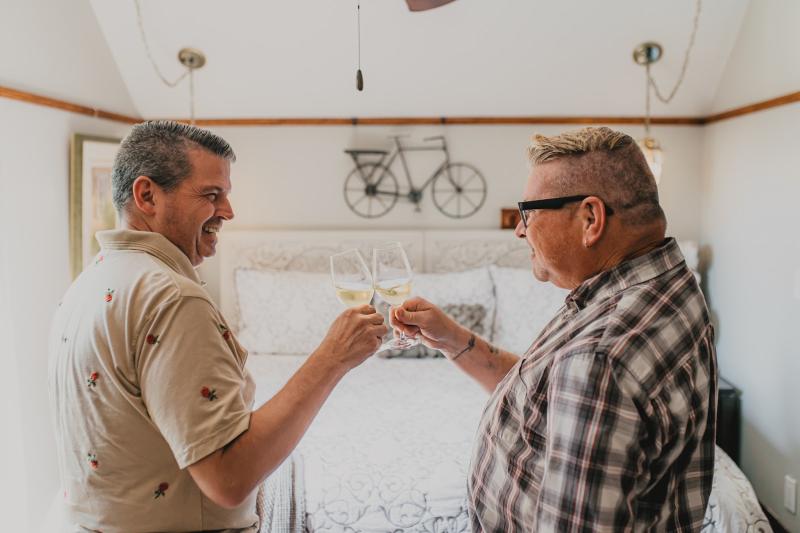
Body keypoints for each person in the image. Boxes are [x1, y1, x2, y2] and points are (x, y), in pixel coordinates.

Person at [48, 120, 387, 532]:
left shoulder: (91, 280)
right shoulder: (172, 298)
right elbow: (229, 480)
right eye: (212, 195)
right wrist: (333, 357)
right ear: (147, 196)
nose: (228, 211)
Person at [392, 126, 717, 532]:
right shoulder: (665, 286)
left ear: (590, 219)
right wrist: (455, 340)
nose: (519, 229)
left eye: (528, 211)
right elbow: (543, 397)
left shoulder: (598, 360)